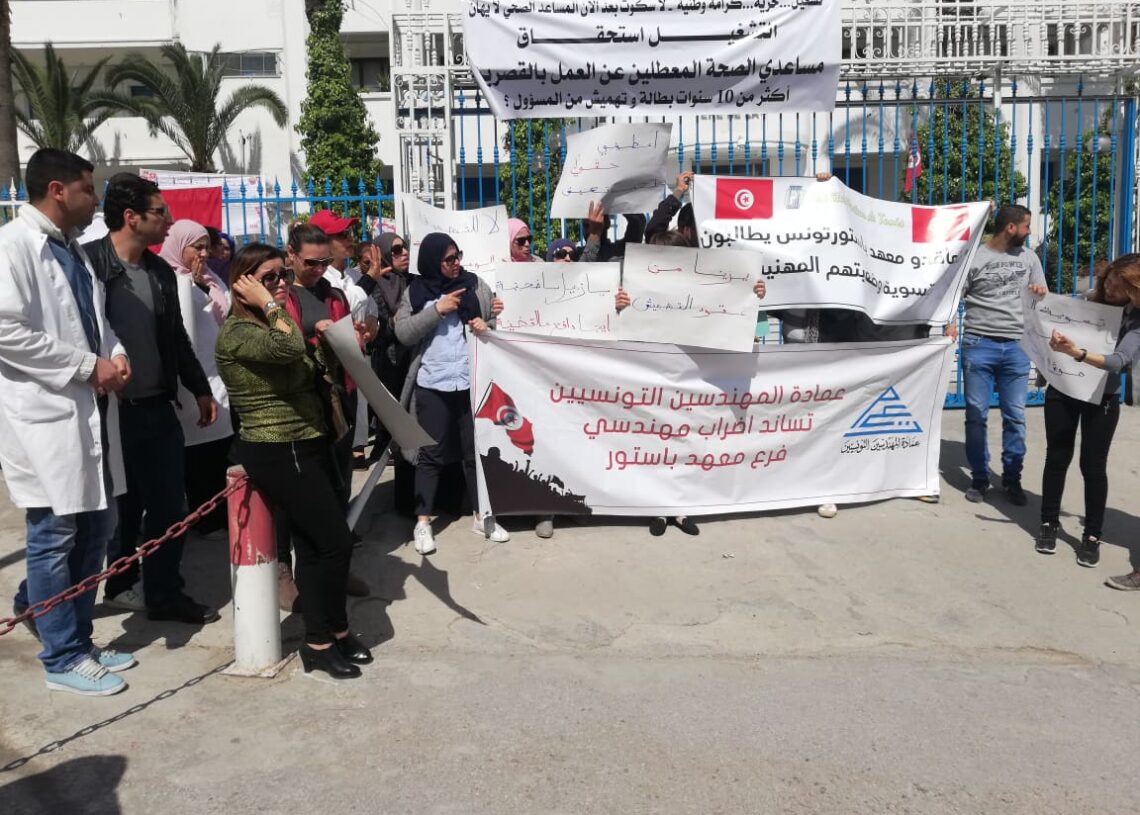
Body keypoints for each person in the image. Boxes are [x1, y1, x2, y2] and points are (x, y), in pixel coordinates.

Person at [2, 148, 136, 695]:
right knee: (55, 532)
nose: (94, 201)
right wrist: (87, 366)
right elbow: (6, 329)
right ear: (57, 190)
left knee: (96, 528)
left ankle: (74, 635)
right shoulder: (14, 246)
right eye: (87, 189)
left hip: (89, 410)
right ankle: (61, 658)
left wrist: (116, 353)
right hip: (46, 415)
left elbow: (93, 323)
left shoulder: (72, 252)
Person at [216, 243, 371, 678]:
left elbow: (306, 366)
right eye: (268, 279)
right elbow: (286, 349)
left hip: (309, 441)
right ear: (241, 285)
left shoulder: (274, 323)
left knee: (314, 546)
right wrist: (270, 304)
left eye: (283, 276)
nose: (281, 284)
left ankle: (333, 633)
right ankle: (319, 641)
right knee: (335, 542)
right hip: (277, 447)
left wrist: (332, 340)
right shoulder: (240, 332)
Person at [87, 173, 221, 625]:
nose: (169, 221)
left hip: (157, 410)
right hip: (106, 413)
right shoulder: (88, 267)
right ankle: (118, 585)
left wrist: (199, 388)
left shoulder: (161, 272)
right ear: (131, 217)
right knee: (115, 512)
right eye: (160, 212)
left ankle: (164, 594)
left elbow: (178, 340)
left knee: (169, 505)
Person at [614, 230, 767, 537]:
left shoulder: (705, 285)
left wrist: (751, 297)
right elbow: (613, 330)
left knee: (685, 438)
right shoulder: (631, 289)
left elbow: (732, 323)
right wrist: (619, 307)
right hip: (652, 374)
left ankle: (679, 508)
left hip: (692, 375)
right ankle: (657, 507)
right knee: (653, 440)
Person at [394, 232, 508, 554]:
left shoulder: (474, 285)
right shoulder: (415, 292)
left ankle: (481, 515)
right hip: (432, 384)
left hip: (471, 382)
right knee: (430, 454)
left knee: (474, 452)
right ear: (432, 261)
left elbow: (495, 319)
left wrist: (489, 324)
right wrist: (437, 310)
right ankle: (423, 523)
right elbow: (403, 333)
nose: (457, 263)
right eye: (448, 259)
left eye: (457, 255)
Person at [280, 223, 370, 604]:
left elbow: (348, 342)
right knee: (297, 497)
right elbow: (275, 343)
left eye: (324, 262)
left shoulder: (335, 294)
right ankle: (285, 572)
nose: (318, 268)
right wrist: (312, 334)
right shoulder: (279, 294)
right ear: (291, 255)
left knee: (338, 488)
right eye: (310, 262)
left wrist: (358, 338)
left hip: (338, 400)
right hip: (299, 406)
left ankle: (336, 566)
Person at [1041, 254, 1140, 571]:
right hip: (1063, 388)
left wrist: (1077, 352)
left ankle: (1092, 535)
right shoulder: (1086, 301)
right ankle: (1048, 524)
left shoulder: (1136, 321)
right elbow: (1051, 319)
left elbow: (1118, 362)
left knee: (1092, 466)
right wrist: (1039, 299)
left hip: (1103, 396)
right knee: (1057, 456)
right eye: (1110, 278)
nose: (1111, 286)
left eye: (1120, 284)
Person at [956, 204, 1048, 505]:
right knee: (975, 415)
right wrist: (947, 324)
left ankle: (1012, 479)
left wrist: (1038, 292)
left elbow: (1042, 298)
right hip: (978, 344)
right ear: (1011, 228)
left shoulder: (1029, 258)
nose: (1029, 231)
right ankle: (980, 479)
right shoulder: (974, 256)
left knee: (1015, 417)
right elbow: (954, 293)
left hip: (1017, 347)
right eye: (1026, 226)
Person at [158, 220, 235, 535]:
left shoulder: (207, 277)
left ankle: (215, 516)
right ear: (179, 247)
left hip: (218, 378)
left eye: (207, 246)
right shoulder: (170, 281)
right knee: (199, 457)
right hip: (193, 383)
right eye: (197, 247)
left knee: (218, 453)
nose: (204, 253)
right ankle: (205, 520)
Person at [308, 210, 378, 467]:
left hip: (356, 363)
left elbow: (371, 313)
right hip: (332, 373)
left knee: (352, 432)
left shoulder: (354, 276)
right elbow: (342, 307)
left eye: (349, 233)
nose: (350, 239)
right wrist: (371, 279)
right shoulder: (319, 279)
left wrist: (371, 327)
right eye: (342, 235)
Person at [356, 232, 414, 453]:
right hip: (388, 359)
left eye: (405, 247)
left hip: (411, 357)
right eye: (397, 250)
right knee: (390, 415)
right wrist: (394, 322)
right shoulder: (375, 286)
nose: (404, 253)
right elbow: (374, 327)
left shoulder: (413, 280)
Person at [579, 202, 646, 263]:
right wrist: (594, 235)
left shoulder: (620, 250)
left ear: (608, 223)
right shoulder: (575, 254)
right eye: (586, 225)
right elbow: (581, 271)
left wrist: (621, 203)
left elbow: (637, 223)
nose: (590, 229)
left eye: (596, 224)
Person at [644, 171, 697, 246]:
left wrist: (679, 190)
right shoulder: (676, 246)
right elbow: (654, 232)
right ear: (686, 229)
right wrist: (679, 190)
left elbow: (654, 231)